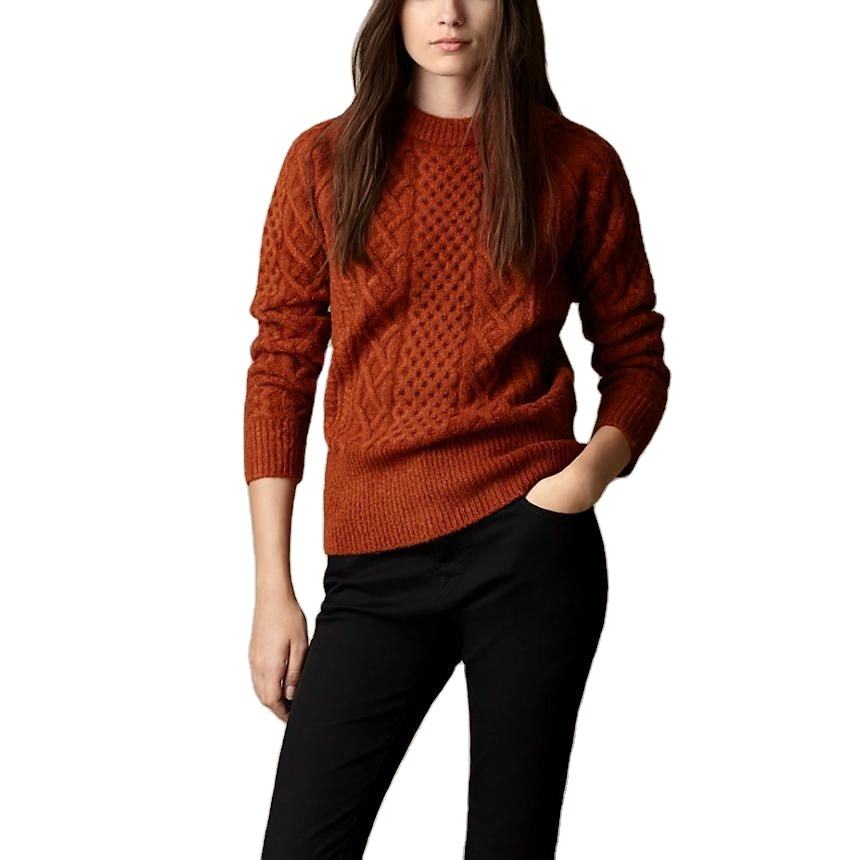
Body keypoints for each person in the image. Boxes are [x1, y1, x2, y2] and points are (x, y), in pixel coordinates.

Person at [244, 1, 670, 856]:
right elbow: (280, 367)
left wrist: (582, 480)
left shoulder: (576, 163)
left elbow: (636, 359)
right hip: (372, 557)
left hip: (528, 545)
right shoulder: (324, 159)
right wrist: (272, 590)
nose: (449, 12)